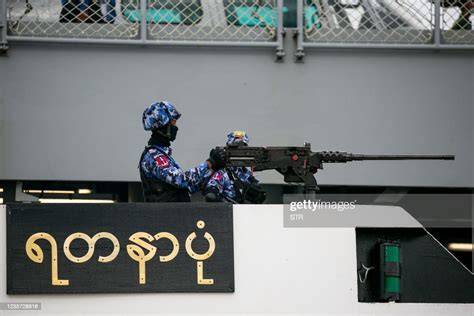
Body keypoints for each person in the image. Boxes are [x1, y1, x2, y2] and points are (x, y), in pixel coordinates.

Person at [139, 101, 225, 202]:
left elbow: (186, 188)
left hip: (174, 214)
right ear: (162, 125)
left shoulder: (162, 154)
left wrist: (212, 169)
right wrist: (210, 163)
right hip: (162, 216)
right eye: (173, 122)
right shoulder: (154, 156)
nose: (176, 127)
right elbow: (181, 180)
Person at [202, 131, 266, 204]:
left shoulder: (246, 173)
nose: (240, 151)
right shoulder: (222, 172)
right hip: (228, 211)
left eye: (243, 147)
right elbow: (210, 194)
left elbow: (259, 194)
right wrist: (224, 203)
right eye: (236, 147)